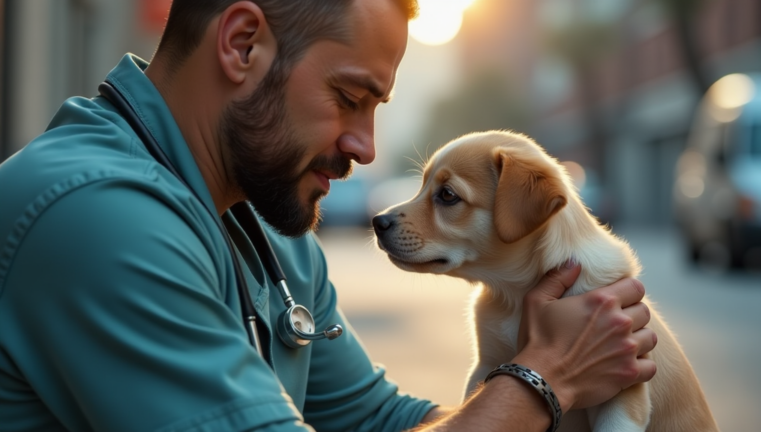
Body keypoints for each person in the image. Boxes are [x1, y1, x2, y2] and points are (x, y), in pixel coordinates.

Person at [0, 0, 657, 431]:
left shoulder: (268, 223)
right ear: (242, 44)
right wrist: (545, 375)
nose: (364, 146)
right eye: (349, 97)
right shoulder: (96, 218)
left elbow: (379, 424)